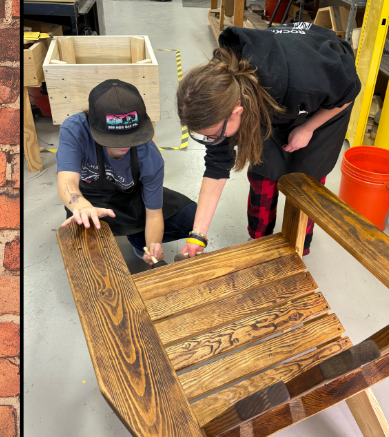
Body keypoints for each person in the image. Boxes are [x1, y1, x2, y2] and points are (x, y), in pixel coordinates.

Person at [175, 22, 361, 257]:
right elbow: (216, 165)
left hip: (322, 90)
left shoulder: (306, 80)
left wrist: (309, 127)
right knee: (264, 173)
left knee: (307, 180)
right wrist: (197, 235)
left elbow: (349, 91)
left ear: (237, 110)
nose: (212, 140)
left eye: (213, 134)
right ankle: (259, 242)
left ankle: (299, 245)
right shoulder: (218, 90)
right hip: (273, 94)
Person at [56, 79, 197, 265]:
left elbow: (154, 213)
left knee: (192, 218)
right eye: (114, 139)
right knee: (88, 266)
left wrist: (151, 247)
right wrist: (80, 205)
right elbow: (66, 180)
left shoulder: (149, 156)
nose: (124, 145)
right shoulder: (75, 130)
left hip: (131, 199)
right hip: (88, 203)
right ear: (93, 126)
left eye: (131, 137)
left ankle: (138, 240)